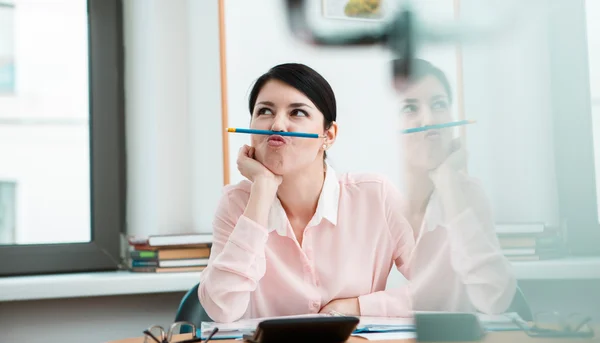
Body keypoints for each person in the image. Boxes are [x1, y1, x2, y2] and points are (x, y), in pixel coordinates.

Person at [198, 63, 416, 323]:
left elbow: (442, 289)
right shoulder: (237, 203)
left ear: (329, 135)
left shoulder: (376, 196)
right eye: (265, 111)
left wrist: (355, 307)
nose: (277, 125)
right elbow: (223, 309)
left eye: (297, 112)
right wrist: (263, 189)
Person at [392, 58, 517, 314]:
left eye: (438, 104)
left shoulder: (467, 193)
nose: (429, 119)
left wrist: (448, 182)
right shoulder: (367, 197)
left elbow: (493, 301)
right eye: (409, 108)